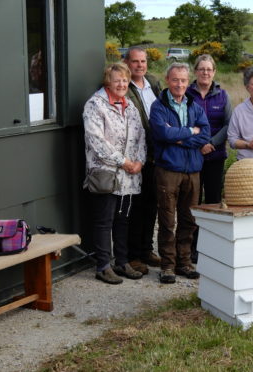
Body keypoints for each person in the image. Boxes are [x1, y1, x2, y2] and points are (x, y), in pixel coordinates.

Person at [83, 62, 146, 284]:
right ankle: (102, 266)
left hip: (129, 175)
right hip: (106, 174)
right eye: (116, 80)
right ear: (107, 82)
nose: (121, 84)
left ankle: (122, 262)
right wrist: (124, 162)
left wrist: (139, 161)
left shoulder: (130, 106)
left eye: (125, 80)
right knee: (104, 221)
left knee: (123, 220)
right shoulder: (95, 105)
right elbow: (96, 141)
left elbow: (140, 137)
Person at [150, 62, 210, 284]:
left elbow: (205, 134)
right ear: (168, 80)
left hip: (193, 171)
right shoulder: (158, 106)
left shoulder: (194, 105)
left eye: (183, 80)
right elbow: (161, 133)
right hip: (168, 170)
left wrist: (178, 137)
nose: (179, 84)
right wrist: (188, 132)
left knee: (189, 219)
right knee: (167, 219)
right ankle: (167, 265)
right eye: (175, 80)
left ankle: (184, 263)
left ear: (188, 81)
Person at [186, 54, 232, 263]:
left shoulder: (223, 95)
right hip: (191, 155)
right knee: (192, 201)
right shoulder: (186, 94)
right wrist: (198, 144)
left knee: (213, 201)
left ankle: (212, 246)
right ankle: (192, 247)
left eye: (209, 69)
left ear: (214, 72)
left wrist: (211, 143)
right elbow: (180, 122)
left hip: (215, 155)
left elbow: (228, 124)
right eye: (202, 69)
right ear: (195, 71)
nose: (205, 72)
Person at [123, 46, 163, 275]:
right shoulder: (122, 85)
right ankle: (134, 254)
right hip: (135, 154)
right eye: (135, 61)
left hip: (155, 153)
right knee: (135, 207)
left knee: (152, 204)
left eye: (143, 61)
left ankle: (147, 249)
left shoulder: (152, 84)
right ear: (127, 62)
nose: (140, 65)